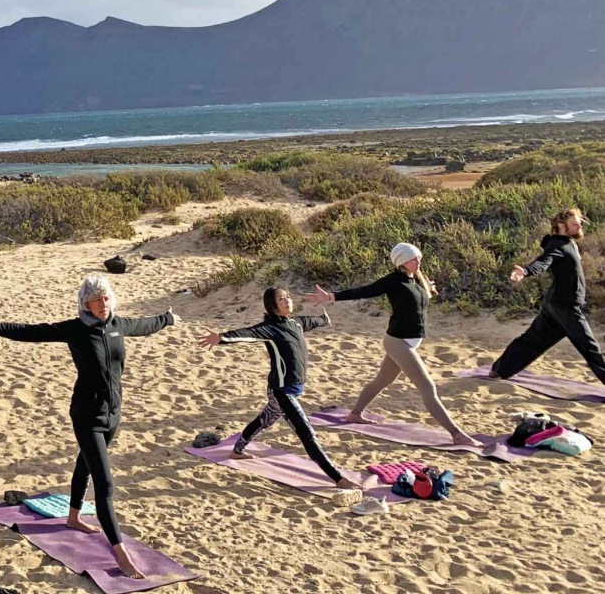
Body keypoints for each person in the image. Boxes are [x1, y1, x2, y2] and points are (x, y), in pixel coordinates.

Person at [0, 274, 178, 580]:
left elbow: (147, 325)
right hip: (87, 415)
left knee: (84, 463)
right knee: (105, 485)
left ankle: (73, 516)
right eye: (96, 300)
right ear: (85, 303)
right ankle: (120, 552)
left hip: (113, 414)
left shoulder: (118, 325)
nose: (103, 304)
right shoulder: (75, 330)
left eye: (106, 298)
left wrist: (167, 318)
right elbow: (28, 332)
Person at [304, 243, 482, 447]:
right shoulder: (394, 281)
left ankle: (355, 414)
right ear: (402, 261)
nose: (418, 261)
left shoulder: (416, 280)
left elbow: (419, 301)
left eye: (419, 258)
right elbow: (365, 291)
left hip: (408, 341)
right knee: (427, 387)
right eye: (414, 259)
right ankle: (457, 434)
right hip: (398, 342)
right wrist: (331, 297)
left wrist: (428, 290)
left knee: (381, 381)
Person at [199, 288, 360, 490]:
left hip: (290, 390)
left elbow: (312, 321)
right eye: (281, 298)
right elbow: (248, 333)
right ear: (272, 305)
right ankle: (338, 478)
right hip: (282, 391)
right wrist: (222, 338)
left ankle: (237, 451)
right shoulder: (271, 328)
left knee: (263, 420)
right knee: (307, 433)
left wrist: (324, 319)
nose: (287, 300)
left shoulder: (296, 323)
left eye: (288, 297)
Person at [490, 207, 605, 386]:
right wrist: (527, 271)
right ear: (561, 225)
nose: (579, 226)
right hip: (565, 308)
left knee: (533, 340)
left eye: (580, 223)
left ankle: (499, 369)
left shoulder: (568, 242)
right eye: (575, 224)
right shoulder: (558, 245)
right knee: (590, 348)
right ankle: (499, 369)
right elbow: (544, 261)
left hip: (555, 305)